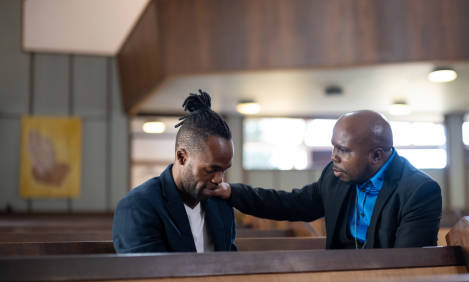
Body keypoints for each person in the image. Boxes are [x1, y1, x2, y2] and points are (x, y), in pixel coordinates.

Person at [211, 110, 442, 249]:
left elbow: (411, 264)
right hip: (338, 280)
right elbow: (291, 203)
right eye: (333, 147)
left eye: (343, 150)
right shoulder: (335, 176)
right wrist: (233, 192)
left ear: (376, 156)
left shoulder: (419, 191)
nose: (334, 157)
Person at [113, 90, 237, 253]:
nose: (219, 180)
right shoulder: (138, 207)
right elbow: (147, 275)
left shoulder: (220, 204)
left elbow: (230, 264)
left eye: (223, 170)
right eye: (211, 169)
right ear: (182, 157)